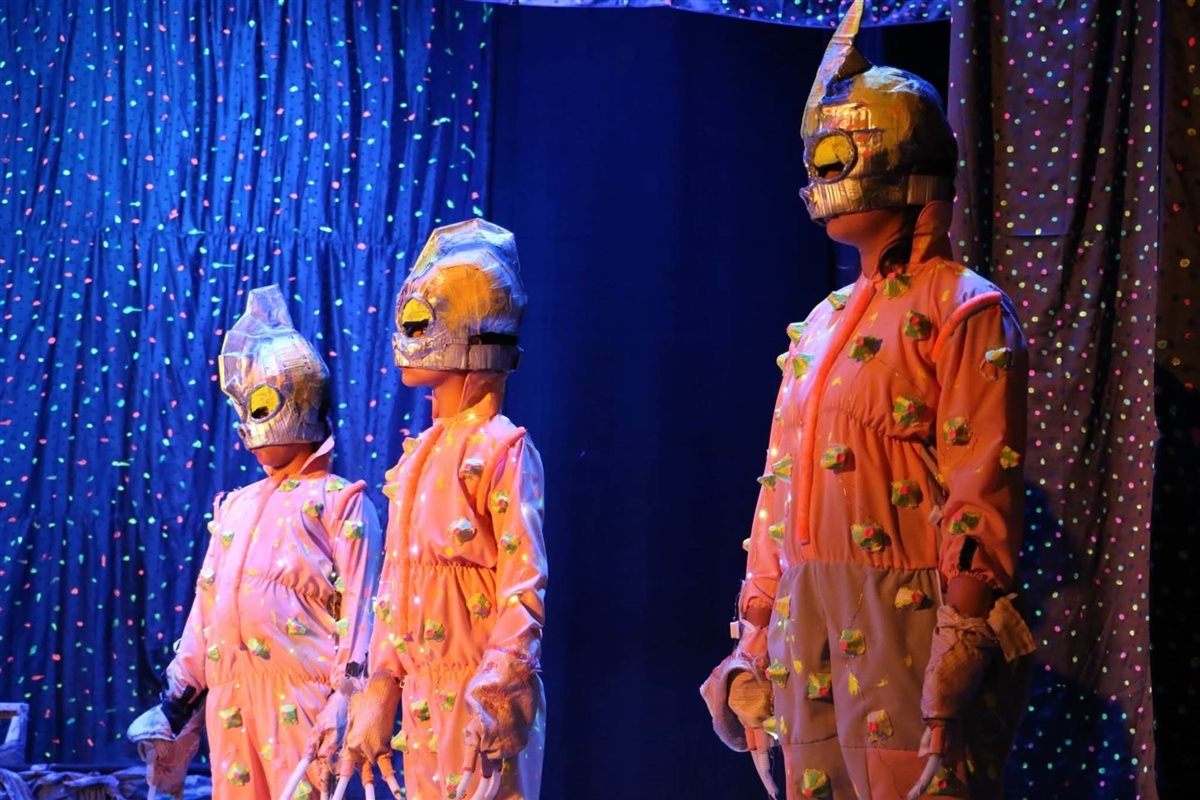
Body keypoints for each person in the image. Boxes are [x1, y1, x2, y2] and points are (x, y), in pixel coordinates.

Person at [701, 2, 1035, 798]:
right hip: (808, 619)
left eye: (838, 152)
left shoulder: (965, 309)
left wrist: (962, 633)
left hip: (908, 617)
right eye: (817, 156)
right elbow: (779, 491)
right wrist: (755, 635)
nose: (823, 173)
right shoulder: (818, 326)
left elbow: (980, 487)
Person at [128, 285, 382, 800]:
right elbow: (205, 611)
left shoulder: (341, 502)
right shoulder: (236, 506)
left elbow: (363, 615)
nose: (248, 421)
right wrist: (175, 702)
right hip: (232, 703)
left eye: (260, 405)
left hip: (305, 705)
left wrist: (347, 698)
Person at [335, 219, 548, 800]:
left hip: (480, 704)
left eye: (420, 322)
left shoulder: (500, 448)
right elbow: (395, 588)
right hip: (423, 704)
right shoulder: (417, 458)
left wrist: (501, 688)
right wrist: (381, 684)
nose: (404, 337)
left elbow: (523, 582)